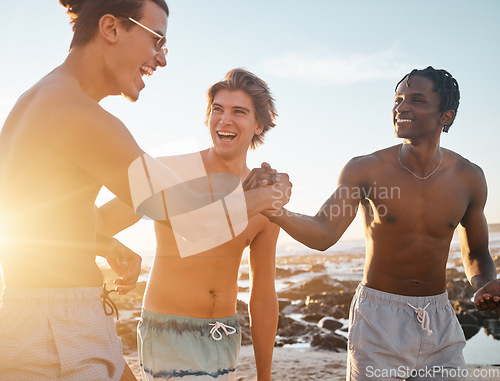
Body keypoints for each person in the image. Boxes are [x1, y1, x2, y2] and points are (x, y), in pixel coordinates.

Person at [0, 0, 290, 379]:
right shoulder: (82, 116)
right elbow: (193, 223)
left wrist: (102, 244)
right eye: (157, 41)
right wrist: (261, 198)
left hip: (49, 315)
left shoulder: (37, 99)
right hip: (58, 329)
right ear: (111, 28)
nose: (162, 58)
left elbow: (32, 215)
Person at [245, 66, 500, 380]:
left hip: (439, 318)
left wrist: (484, 283)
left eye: (416, 100)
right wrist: (274, 210)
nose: (401, 107)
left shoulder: (469, 177)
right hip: (379, 319)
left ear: (444, 116)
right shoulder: (365, 169)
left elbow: (476, 253)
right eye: (398, 99)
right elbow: (324, 232)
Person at [97, 68, 281, 381]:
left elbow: (263, 296)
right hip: (169, 330)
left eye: (239, 112)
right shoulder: (172, 171)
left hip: (224, 335)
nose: (224, 120)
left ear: (258, 125)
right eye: (217, 110)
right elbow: (99, 221)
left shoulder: (263, 198)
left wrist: (265, 377)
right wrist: (112, 249)